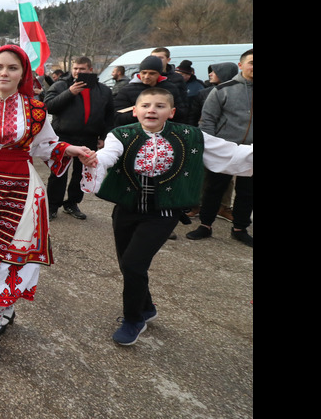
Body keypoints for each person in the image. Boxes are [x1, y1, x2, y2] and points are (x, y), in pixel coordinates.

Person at [0, 45, 93, 363]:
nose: (4, 73)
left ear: (23, 73)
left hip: (21, 191)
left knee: (11, 259)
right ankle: (1, 311)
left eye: (11, 68)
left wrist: (69, 150)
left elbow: (46, 145)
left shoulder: (37, 111)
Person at [81, 87, 253, 345]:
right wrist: (95, 159)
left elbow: (232, 154)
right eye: (146, 105)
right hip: (127, 209)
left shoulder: (191, 136)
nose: (152, 109)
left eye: (160, 106)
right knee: (129, 263)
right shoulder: (120, 134)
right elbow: (109, 155)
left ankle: (133, 318)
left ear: (171, 112)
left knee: (133, 263)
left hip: (163, 213)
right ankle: (147, 307)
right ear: (135, 111)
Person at [186, 49, 254, 246]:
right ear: (241, 65)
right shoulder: (223, 89)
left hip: (250, 152)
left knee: (247, 192)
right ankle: (205, 225)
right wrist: (212, 147)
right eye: (251, 62)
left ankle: (240, 228)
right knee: (214, 189)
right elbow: (207, 121)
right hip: (223, 149)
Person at [43, 56, 114, 221]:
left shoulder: (103, 90)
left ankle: (72, 203)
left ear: (90, 70)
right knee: (58, 173)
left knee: (81, 173)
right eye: (75, 68)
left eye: (82, 69)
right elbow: (49, 106)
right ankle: (52, 206)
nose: (77, 72)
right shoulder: (61, 85)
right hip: (63, 136)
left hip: (89, 137)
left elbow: (109, 116)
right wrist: (70, 93)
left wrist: (103, 136)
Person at [112, 55, 186, 127]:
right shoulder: (127, 90)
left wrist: (163, 112)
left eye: (152, 73)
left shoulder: (170, 88)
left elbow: (181, 113)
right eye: (144, 73)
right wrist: (140, 113)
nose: (147, 76)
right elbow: (116, 117)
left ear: (159, 74)